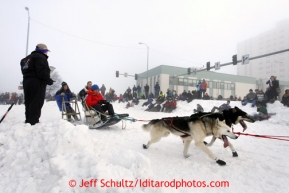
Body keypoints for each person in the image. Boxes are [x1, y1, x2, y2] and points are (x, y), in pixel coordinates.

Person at [20, 43, 54, 125]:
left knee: (29, 101)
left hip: (26, 81)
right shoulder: (40, 57)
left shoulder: (25, 59)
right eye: (46, 51)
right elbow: (41, 71)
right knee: (36, 101)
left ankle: (28, 119)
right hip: (37, 82)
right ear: (43, 51)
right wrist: (48, 79)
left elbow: (27, 70)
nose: (47, 53)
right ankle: (33, 121)